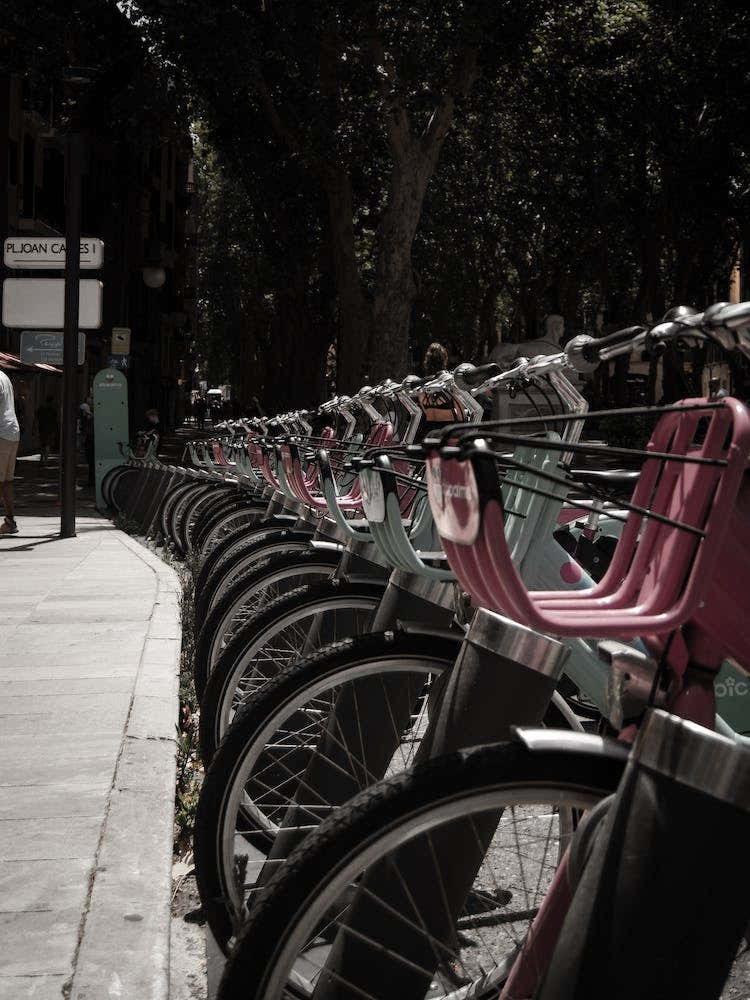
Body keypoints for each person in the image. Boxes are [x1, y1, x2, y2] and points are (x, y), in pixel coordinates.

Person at [0, 370, 20, 536]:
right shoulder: (4, 377)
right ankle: (9, 522)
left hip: (1, 432)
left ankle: (10, 522)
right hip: (12, 431)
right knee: (7, 481)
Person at [34, 394, 58, 466]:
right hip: (49, 429)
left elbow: (36, 418)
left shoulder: (41, 409)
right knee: (47, 445)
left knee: (42, 444)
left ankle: (42, 458)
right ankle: (46, 459)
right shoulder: (53, 410)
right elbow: (55, 421)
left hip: (42, 428)